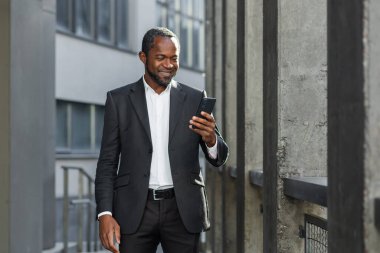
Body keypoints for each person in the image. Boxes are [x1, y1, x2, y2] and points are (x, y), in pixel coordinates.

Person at [95, 27, 229, 253]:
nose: (169, 64)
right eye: (161, 58)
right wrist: (104, 214)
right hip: (135, 209)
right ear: (143, 57)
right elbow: (107, 163)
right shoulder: (118, 101)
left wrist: (211, 140)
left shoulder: (195, 98)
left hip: (183, 209)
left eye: (174, 58)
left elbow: (219, 159)